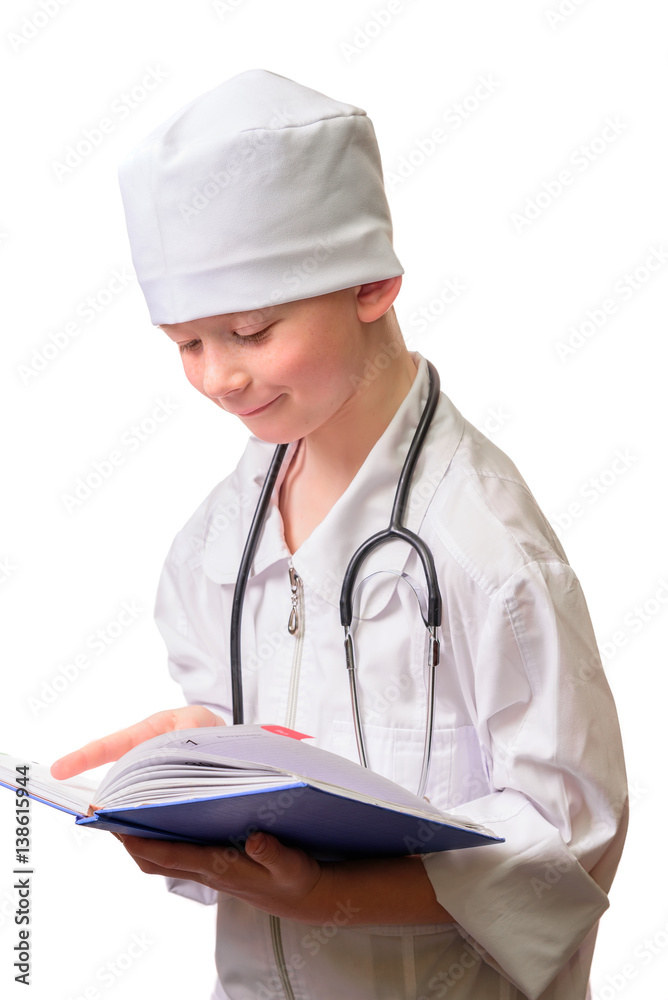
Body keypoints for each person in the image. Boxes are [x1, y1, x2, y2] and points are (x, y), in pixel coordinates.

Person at [51, 69, 628, 999]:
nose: (218, 377)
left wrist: (329, 899)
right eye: (187, 343)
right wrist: (207, 760)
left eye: (250, 330)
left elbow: (566, 843)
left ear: (372, 285)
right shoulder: (221, 538)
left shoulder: (485, 545)